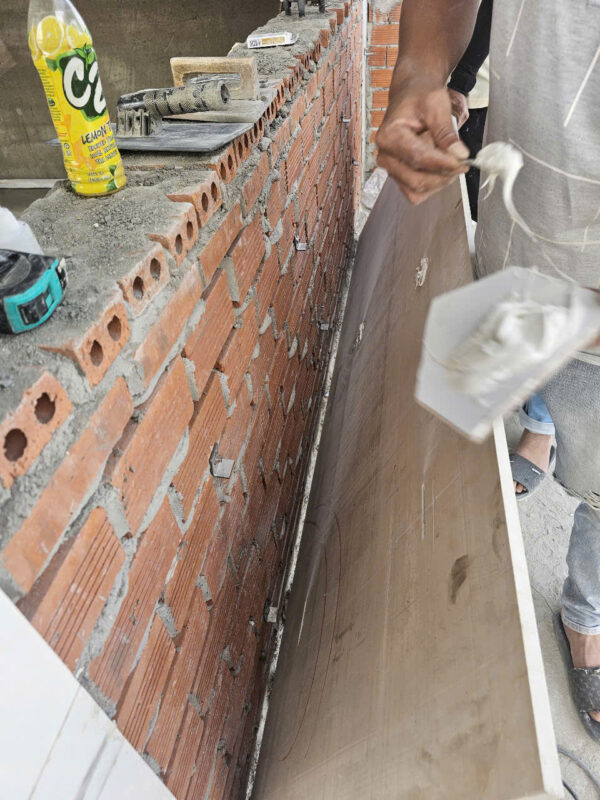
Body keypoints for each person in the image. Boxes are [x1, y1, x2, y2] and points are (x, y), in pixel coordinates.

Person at [376, 0, 600, 737]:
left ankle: (587, 615)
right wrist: (423, 70)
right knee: (466, 415)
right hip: (525, 244)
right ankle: (539, 425)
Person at [447, 0, 492, 222]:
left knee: (471, 201)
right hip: (450, 86)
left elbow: (494, 8)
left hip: (467, 95)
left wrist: (461, 83)